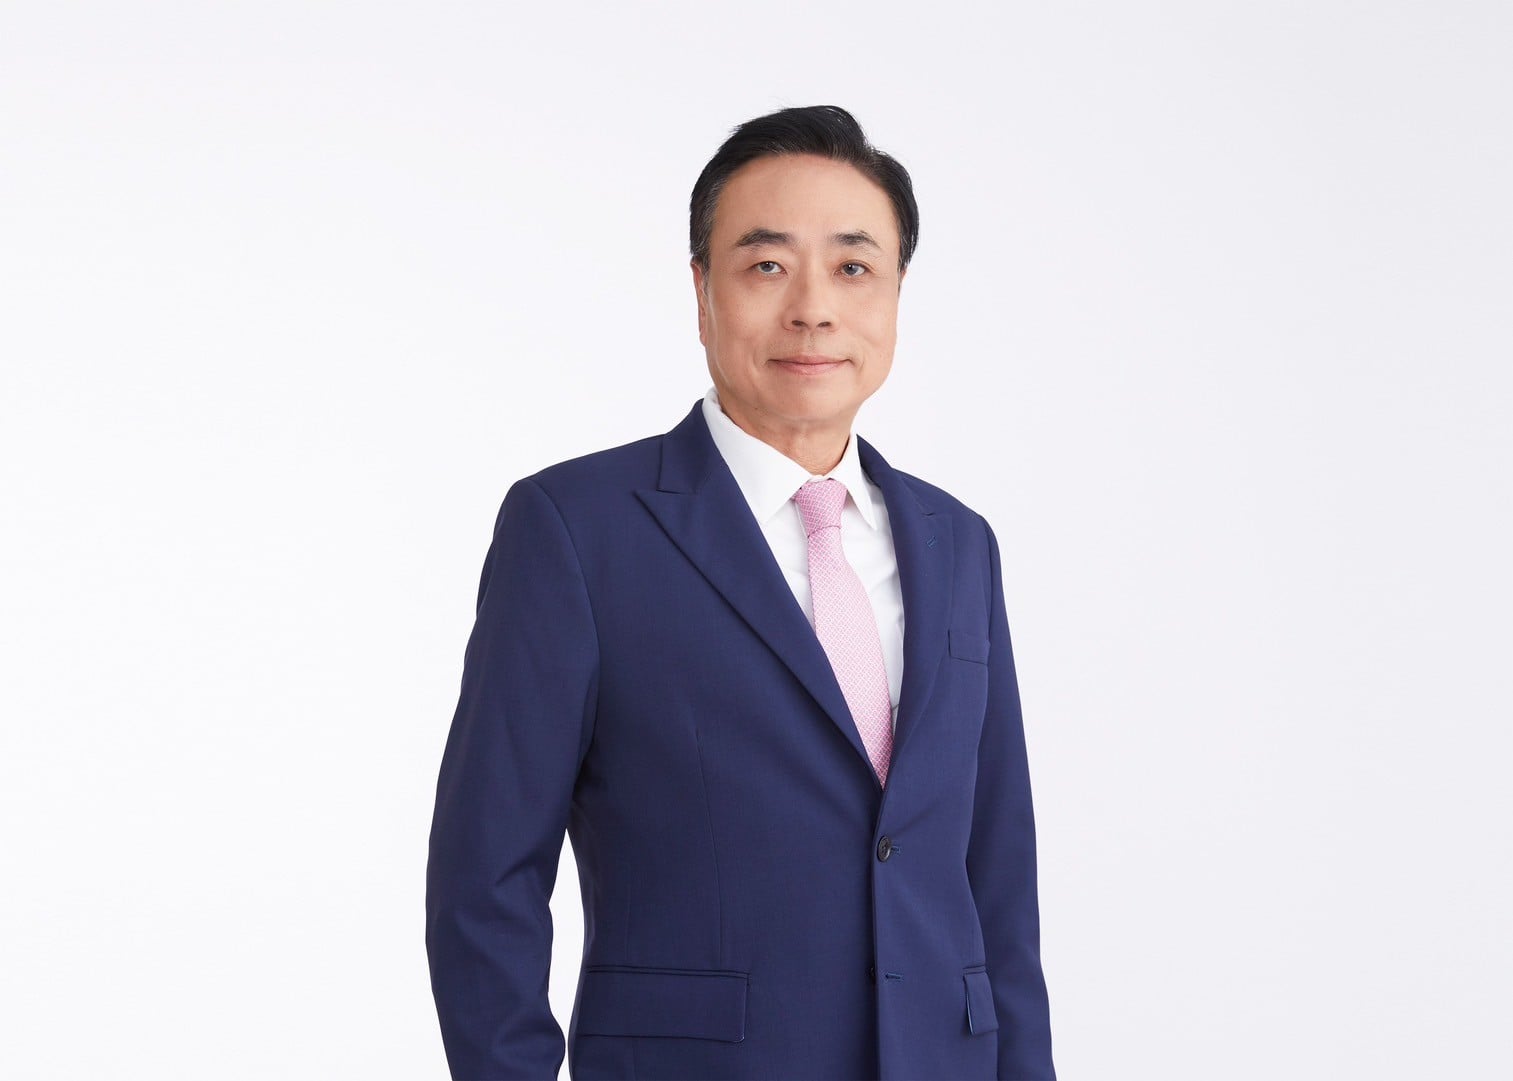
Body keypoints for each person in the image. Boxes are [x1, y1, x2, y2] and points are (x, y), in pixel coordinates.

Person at [426, 104, 1055, 1080]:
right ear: (701, 290)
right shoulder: (577, 530)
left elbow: (996, 878)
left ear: (896, 292)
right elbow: (485, 877)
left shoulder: (957, 542)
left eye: (853, 268)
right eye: (766, 265)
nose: (813, 309)